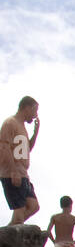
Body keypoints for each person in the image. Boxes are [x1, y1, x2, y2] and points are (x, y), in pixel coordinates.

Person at [0, 96, 40, 224]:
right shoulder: (10, 123)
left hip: (23, 173)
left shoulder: (22, 127)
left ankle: (8, 232)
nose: (35, 115)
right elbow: (4, 147)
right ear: (27, 108)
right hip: (12, 172)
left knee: (33, 206)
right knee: (19, 213)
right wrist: (13, 171)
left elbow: (27, 149)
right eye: (34, 110)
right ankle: (9, 237)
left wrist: (35, 132)